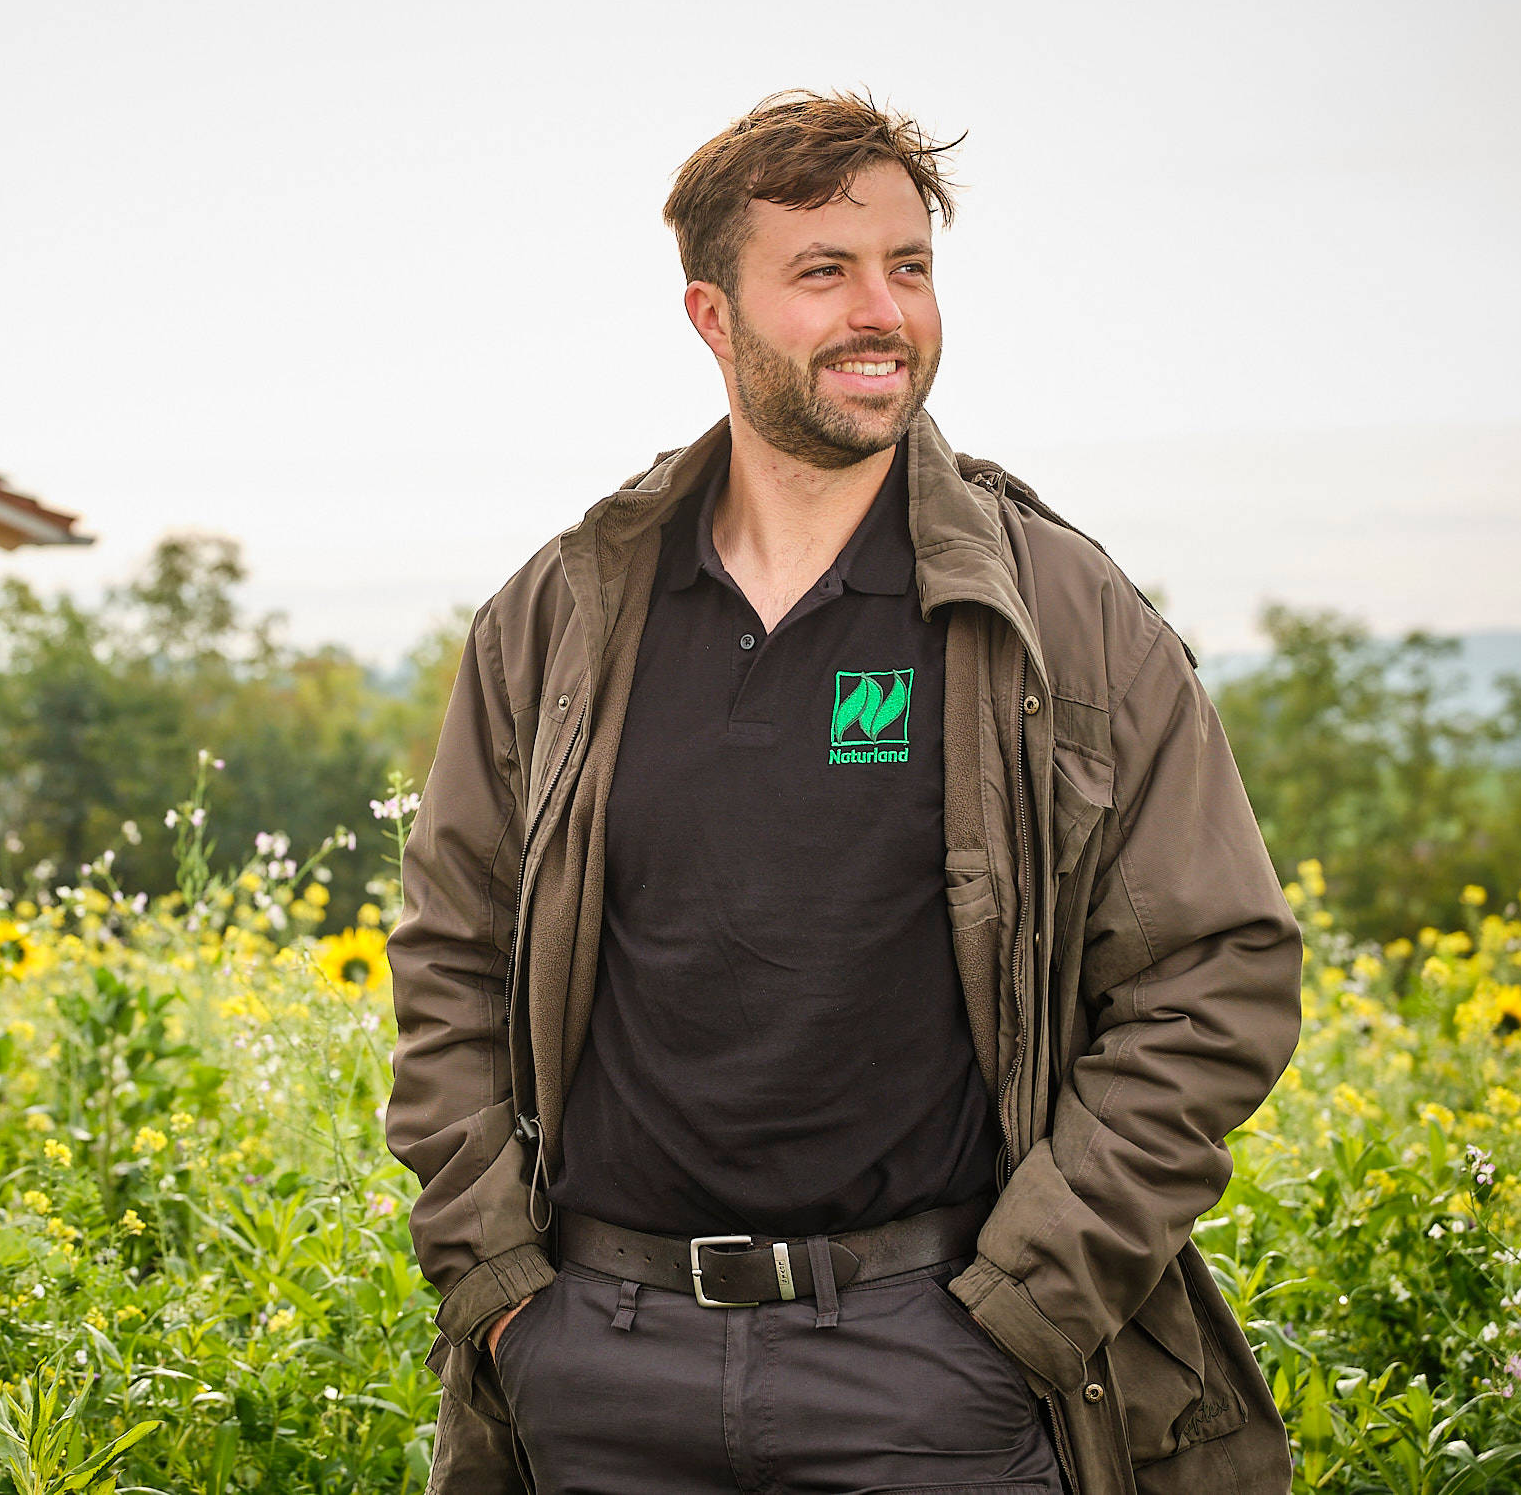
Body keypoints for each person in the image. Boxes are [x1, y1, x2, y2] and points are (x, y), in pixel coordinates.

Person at [384, 90, 1304, 1495]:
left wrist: (1027, 1311)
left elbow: (1217, 971)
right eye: (825, 272)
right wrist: (507, 1298)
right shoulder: (564, 615)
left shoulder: (1059, 611)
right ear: (712, 317)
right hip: (599, 1372)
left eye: (910, 266)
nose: (885, 311)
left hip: (933, 1372)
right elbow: (449, 963)